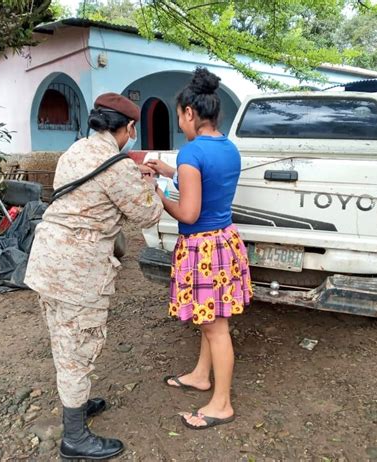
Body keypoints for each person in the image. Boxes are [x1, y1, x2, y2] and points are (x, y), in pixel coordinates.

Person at [24, 93, 163, 460]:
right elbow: (148, 215)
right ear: (129, 128)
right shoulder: (116, 166)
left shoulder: (75, 151)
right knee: (77, 348)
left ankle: (77, 405)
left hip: (46, 260)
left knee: (63, 339)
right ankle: (74, 438)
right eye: (133, 129)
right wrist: (149, 182)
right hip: (77, 271)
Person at [147, 67, 253, 430]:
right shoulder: (228, 148)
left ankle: (221, 404)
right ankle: (200, 375)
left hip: (201, 248)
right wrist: (168, 170)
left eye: (179, 116)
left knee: (215, 328)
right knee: (211, 321)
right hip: (225, 241)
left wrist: (159, 196)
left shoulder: (191, 154)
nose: (180, 123)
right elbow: (205, 181)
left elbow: (189, 213)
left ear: (190, 113)